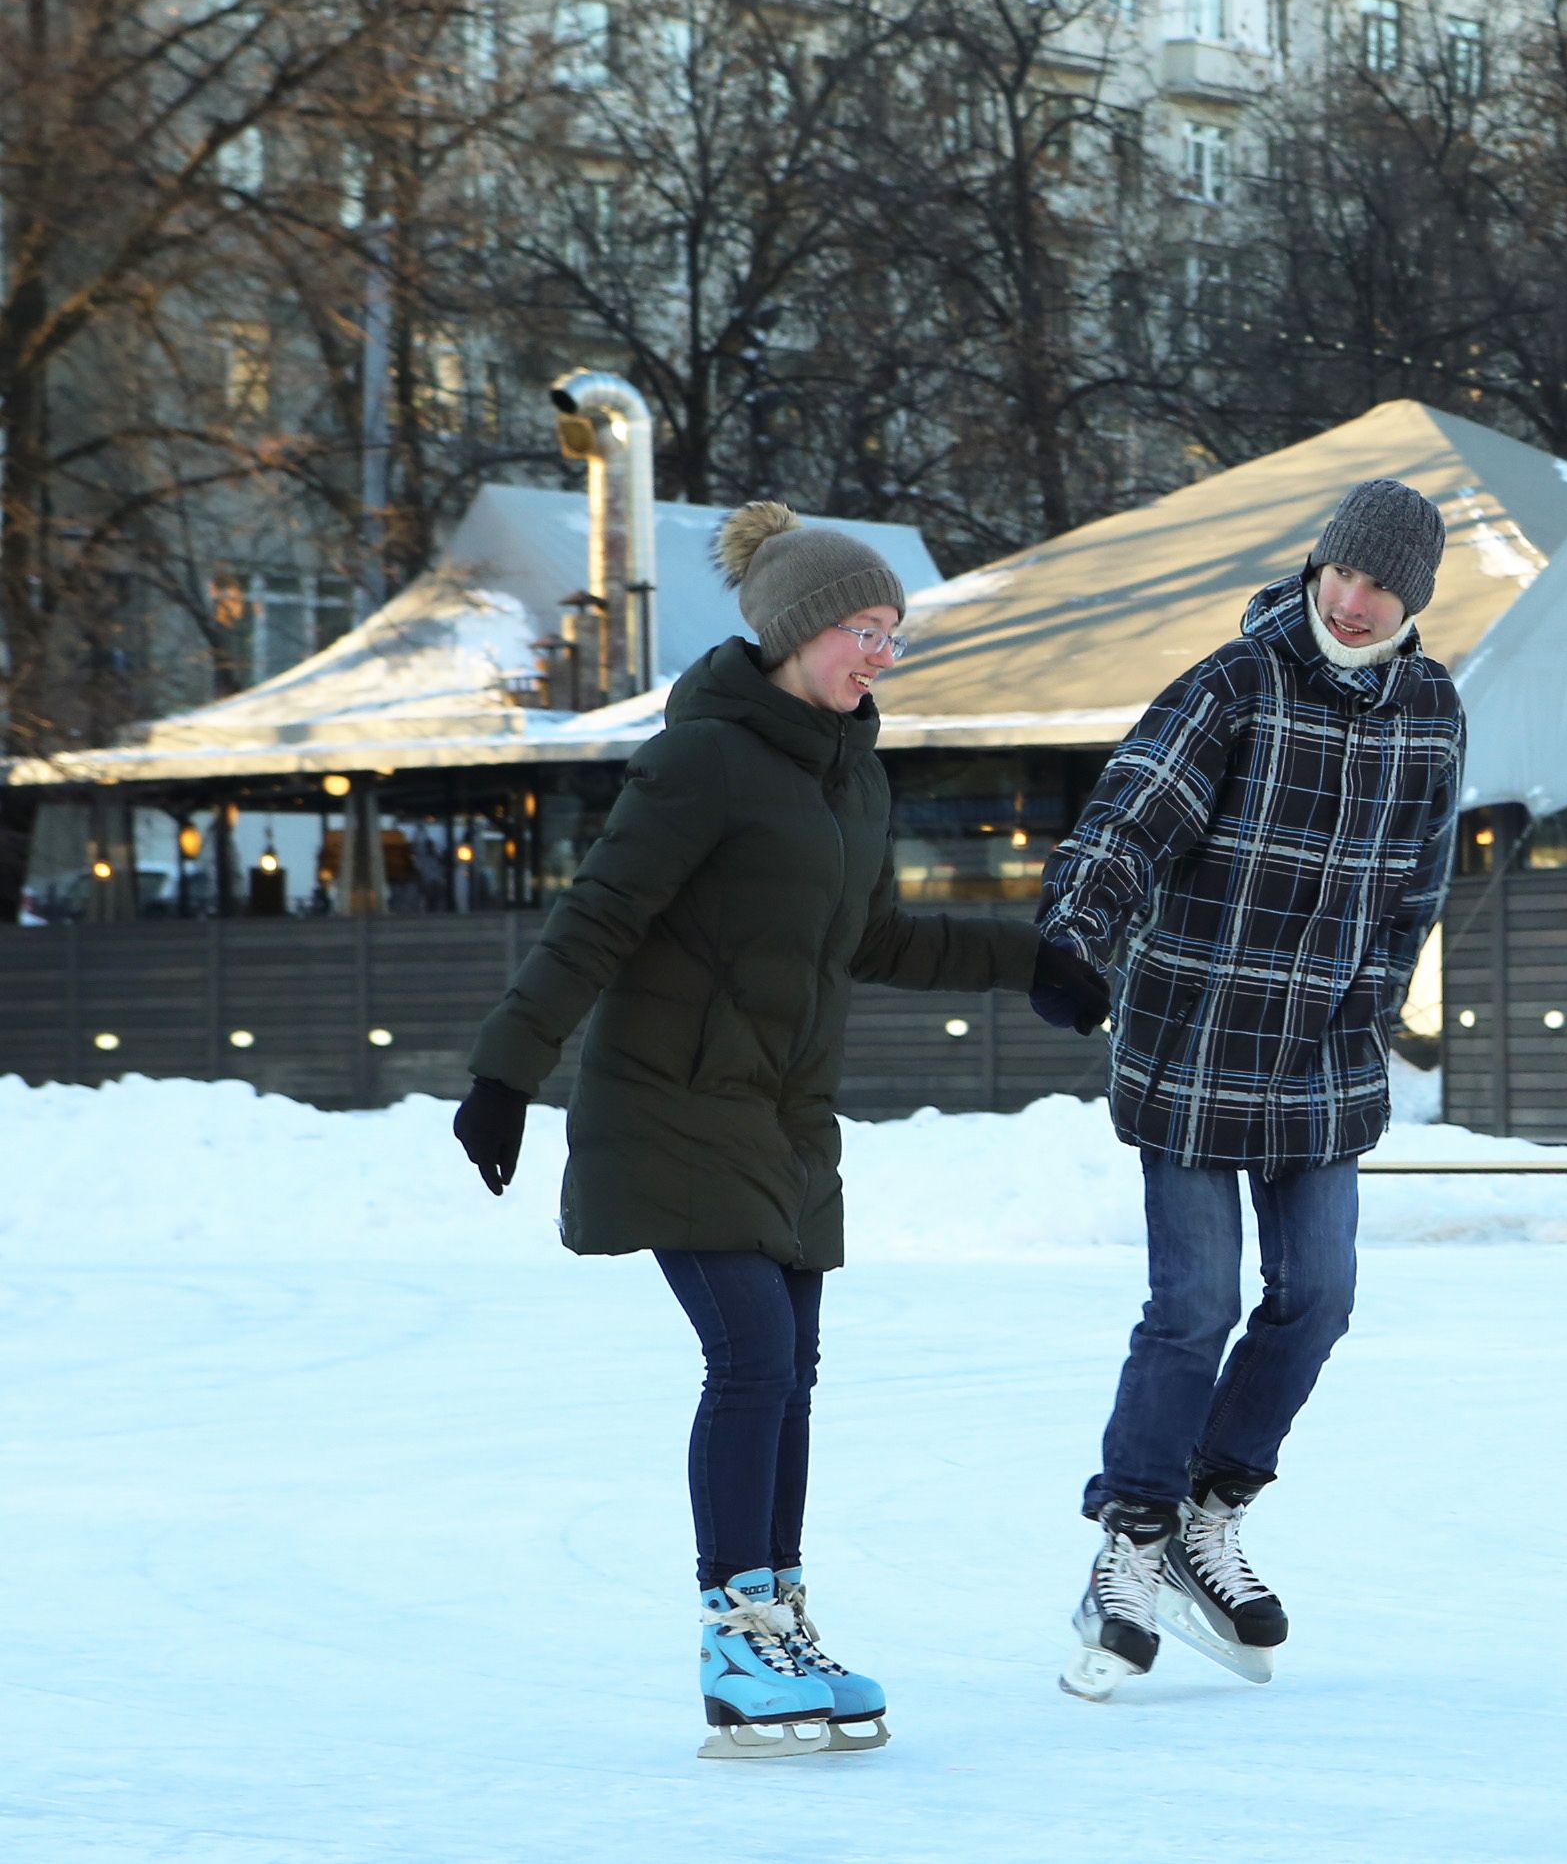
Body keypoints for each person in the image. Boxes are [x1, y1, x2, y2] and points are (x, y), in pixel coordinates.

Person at [450, 504, 1038, 1759]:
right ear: (795, 631)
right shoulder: (704, 759)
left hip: (782, 1117)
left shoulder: (853, 772)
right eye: (862, 631)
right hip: (670, 1104)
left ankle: (779, 1617)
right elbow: (599, 915)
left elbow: (876, 937)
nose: (880, 654)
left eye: (891, 634)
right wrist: (507, 1071)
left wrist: (1035, 961)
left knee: (794, 1377)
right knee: (754, 1360)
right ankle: (733, 1631)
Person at [1029, 479, 1463, 1696]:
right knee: (1194, 1304)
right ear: (1317, 566)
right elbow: (1132, 813)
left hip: (1322, 1055)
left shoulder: (1430, 708)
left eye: (1381, 584)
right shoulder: (1236, 681)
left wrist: (1373, 1007)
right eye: (1341, 572)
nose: (1355, 599)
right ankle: (1133, 1535)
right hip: (1195, 1040)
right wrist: (1076, 933)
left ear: (1412, 598)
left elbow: (1419, 882)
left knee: (1318, 1296)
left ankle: (1209, 1516)